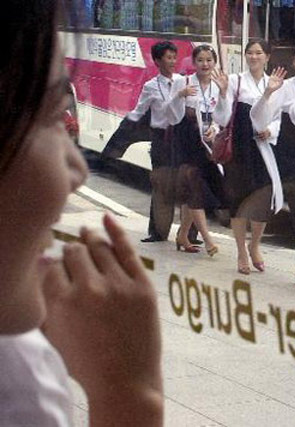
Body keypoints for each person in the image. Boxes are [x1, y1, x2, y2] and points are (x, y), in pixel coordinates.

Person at [0, 1, 163, 425]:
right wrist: (129, 395)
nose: (77, 172)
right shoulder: (20, 386)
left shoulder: (24, 359)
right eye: (53, 116)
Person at [250, 39, 295, 293]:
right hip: (292, 159)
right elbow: (259, 119)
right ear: (294, 62)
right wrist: (268, 93)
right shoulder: (285, 88)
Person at [212, 39, 284, 275]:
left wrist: (270, 130)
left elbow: (279, 117)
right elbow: (222, 118)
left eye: (258, 53)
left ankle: (255, 245)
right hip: (239, 150)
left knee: (263, 198)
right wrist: (223, 93)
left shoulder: (273, 83)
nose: (253, 57)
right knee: (238, 200)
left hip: (263, 148)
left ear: (267, 57)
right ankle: (241, 250)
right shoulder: (236, 81)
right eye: (250, 53)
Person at [168, 44, 223, 255]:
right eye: (200, 60)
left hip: (207, 145)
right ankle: (208, 240)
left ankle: (183, 234)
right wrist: (179, 95)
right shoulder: (183, 82)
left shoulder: (218, 85)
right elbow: (170, 113)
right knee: (195, 188)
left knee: (193, 191)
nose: (205, 64)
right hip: (186, 143)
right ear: (193, 62)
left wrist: (214, 129)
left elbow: (221, 114)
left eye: (209, 60)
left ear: (214, 62)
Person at [127, 41, 184, 243]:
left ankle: (188, 234)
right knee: (161, 184)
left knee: (187, 183)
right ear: (158, 61)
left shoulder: (183, 82)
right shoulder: (150, 86)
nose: (173, 62)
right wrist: (125, 126)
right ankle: (158, 231)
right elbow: (139, 111)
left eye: (174, 57)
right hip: (161, 139)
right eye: (168, 58)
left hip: (181, 138)